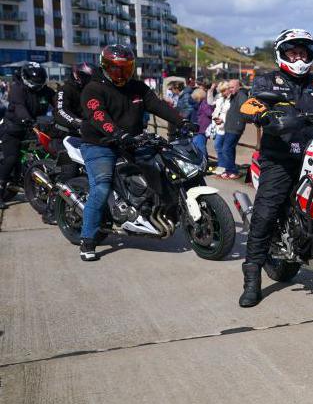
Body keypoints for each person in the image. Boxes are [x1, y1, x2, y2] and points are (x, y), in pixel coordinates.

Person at [237, 28, 313, 307]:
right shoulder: (268, 80)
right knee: (266, 211)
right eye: (293, 51)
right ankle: (252, 274)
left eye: (303, 52)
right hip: (279, 157)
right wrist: (265, 114)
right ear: (282, 53)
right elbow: (250, 104)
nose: (299, 56)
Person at [77, 45, 185, 261]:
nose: (122, 74)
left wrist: (182, 121)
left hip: (131, 142)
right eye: (117, 69)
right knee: (101, 186)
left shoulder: (137, 87)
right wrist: (117, 133)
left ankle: (156, 212)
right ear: (105, 66)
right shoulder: (94, 89)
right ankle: (87, 240)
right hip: (100, 144)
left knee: (161, 168)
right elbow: (98, 115)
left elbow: (158, 105)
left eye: (126, 68)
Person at [43, 62, 94, 223]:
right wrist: (78, 122)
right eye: (85, 76)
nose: (88, 80)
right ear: (77, 75)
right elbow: (61, 112)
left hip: (83, 135)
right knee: (69, 170)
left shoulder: (91, 90)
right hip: (62, 135)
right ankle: (51, 208)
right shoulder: (65, 90)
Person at [0, 62, 54, 210]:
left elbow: (58, 103)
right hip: (14, 128)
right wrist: (26, 119)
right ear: (24, 78)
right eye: (34, 83)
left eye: (40, 82)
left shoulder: (45, 91)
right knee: (11, 158)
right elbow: (19, 106)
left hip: (35, 128)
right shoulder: (17, 89)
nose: (37, 86)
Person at [219, 79, 248, 179]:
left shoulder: (241, 95)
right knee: (229, 149)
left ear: (238, 86)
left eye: (232, 87)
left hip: (235, 127)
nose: (230, 89)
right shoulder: (234, 95)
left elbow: (244, 109)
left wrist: (240, 121)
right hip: (230, 126)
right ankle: (229, 170)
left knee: (226, 149)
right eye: (229, 87)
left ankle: (233, 171)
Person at [211, 81, 230, 175]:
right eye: (221, 91)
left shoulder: (231, 100)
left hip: (227, 127)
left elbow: (231, 115)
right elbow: (212, 105)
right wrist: (214, 117)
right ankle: (222, 167)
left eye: (224, 90)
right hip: (218, 127)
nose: (223, 93)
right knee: (218, 146)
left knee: (225, 149)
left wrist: (222, 120)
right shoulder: (220, 99)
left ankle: (226, 168)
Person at [190, 86, 212, 162]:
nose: (195, 100)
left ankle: (204, 162)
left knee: (201, 147)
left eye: (196, 98)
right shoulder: (201, 103)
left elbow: (210, 113)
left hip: (203, 129)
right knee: (197, 145)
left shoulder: (204, 103)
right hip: (200, 128)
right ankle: (201, 161)